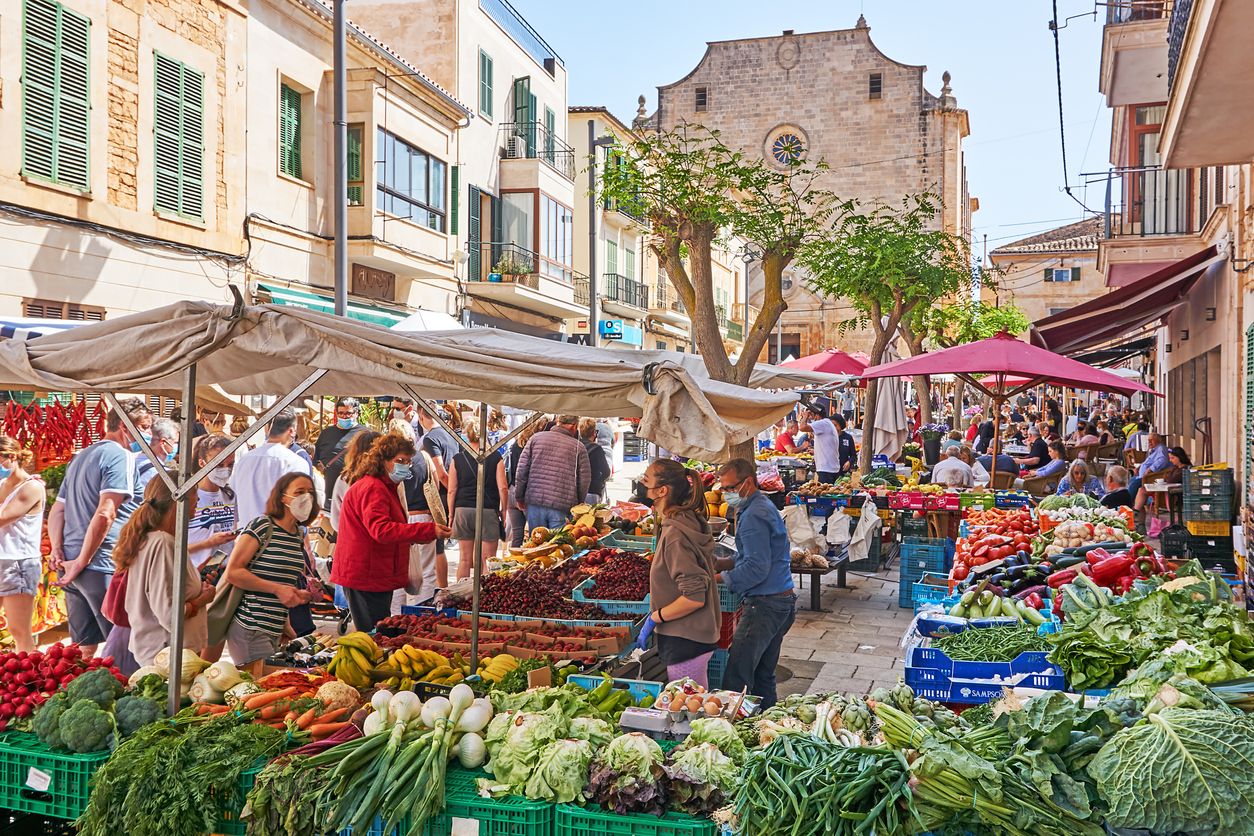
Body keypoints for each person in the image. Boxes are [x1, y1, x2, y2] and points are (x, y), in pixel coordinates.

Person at [48, 397, 149, 656]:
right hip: (100, 563)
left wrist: (57, 551)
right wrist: (82, 561)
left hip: (70, 563)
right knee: (124, 648)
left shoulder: (81, 456)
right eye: (145, 427)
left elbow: (58, 510)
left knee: (83, 648)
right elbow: (106, 513)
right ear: (126, 427)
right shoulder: (122, 457)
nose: (148, 434)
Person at [332, 435, 447, 632]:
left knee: (378, 630)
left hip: (374, 572)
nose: (405, 466)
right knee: (372, 634)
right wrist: (428, 529)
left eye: (408, 462)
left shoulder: (384, 486)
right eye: (399, 461)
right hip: (365, 574)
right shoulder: (373, 488)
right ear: (383, 460)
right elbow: (382, 530)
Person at [713, 458, 795, 709]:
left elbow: (756, 568)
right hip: (781, 601)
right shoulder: (761, 505)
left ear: (747, 482)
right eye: (723, 489)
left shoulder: (753, 516)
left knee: (737, 674)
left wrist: (718, 578)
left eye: (729, 488)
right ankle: (766, 724)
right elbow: (754, 554)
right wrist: (724, 563)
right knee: (763, 675)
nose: (726, 494)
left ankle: (731, 729)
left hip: (765, 605)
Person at [114, 473, 215, 667]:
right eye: (195, 493)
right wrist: (203, 599)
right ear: (179, 501)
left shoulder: (154, 538)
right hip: (165, 655)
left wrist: (194, 577)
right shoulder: (163, 543)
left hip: (160, 652)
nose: (199, 499)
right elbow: (170, 615)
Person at [223, 472, 319, 673]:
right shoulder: (263, 526)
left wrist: (286, 622)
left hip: (274, 629)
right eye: (299, 492)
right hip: (251, 626)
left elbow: (283, 580)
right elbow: (234, 571)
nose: (306, 497)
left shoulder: (297, 535)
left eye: (310, 492)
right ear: (283, 497)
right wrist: (277, 589)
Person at [634, 460, 720, 687]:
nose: (642, 483)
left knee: (688, 708)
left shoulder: (675, 535)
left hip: (685, 639)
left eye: (647, 479)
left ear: (662, 491)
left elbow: (694, 597)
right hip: (695, 634)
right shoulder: (687, 518)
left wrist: (655, 617)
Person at [0, 436, 46, 652]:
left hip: (17, 563)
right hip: (3, 560)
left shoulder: (32, 488)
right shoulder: (2, 483)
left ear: (10, 457)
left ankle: (30, 679)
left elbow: (2, 518)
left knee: (18, 630)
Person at [447, 419, 508, 582]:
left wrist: (451, 514)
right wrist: (504, 510)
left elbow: (452, 490)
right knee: (488, 560)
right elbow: (503, 487)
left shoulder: (457, 459)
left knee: (465, 559)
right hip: (488, 511)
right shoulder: (496, 458)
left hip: (462, 511)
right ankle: (486, 598)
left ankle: (460, 595)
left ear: (468, 436)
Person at [229, 409, 310, 529]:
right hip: (279, 539)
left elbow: (234, 499)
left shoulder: (244, 460)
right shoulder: (296, 463)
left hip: (246, 535)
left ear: (267, 429)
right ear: (292, 431)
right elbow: (300, 507)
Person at [514, 415, 590, 532]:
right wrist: (579, 504)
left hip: (535, 501)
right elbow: (584, 480)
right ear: (574, 426)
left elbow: (522, 470)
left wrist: (519, 496)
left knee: (536, 545)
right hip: (562, 505)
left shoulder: (535, 439)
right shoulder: (578, 447)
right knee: (557, 545)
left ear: (557, 422)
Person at [416, 408, 457, 588]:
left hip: (439, 498)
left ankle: (440, 588)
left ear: (421, 416)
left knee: (437, 548)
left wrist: (450, 493)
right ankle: (443, 586)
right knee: (439, 548)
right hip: (450, 495)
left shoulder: (430, 438)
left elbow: (440, 473)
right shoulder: (450, 434)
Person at [186, 434, 239, 568]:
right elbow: (173, 548)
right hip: (194, 571)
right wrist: (209, 543)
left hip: (223, 570)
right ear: (202, 462)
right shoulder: (189, 497)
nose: (225, 470)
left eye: (230, 464)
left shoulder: (230, 495)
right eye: (219, 464)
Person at [314, 397, 366, 500]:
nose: (344, 416)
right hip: (329, 494)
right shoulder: (326, 433)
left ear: (356, 413)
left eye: (348, 413)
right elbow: (316, 458)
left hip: (355, 494)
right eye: (340, 413)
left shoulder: (365, 434)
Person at [505, 419, 544, 549]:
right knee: (535, 535)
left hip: (511, 490)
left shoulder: (517, 444)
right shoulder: (534, 446)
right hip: (525, 492)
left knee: (517, 535)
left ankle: (514, 564)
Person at [1133, 445, 1191, 514]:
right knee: (1141, 491)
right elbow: (1168, 478)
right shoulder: (1176, 468)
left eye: (1172, 458)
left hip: (1174, 495)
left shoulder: (1184, 469)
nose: (1170, 460)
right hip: (1167, 491)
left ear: (1180, 457)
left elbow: (1170, 479)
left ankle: (1135, 511)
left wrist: (1167, 476)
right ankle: (1136, 512)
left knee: (1142, 491)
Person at [802, 406, 841, 483]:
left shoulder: (823, 423)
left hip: (826, 469)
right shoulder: (827, 423)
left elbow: (802, 427)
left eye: (811, 416)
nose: (812, 419)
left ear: (817, 415)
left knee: (825, 493)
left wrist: (805, 417)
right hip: (829, 468)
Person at [579, 419, 611, 504]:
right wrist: (598, 481)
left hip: (576, 490)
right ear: (594, 432)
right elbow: (606, 472)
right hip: (592, 489)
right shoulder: (597, 449)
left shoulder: (575, 446)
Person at [1127, 432, 1168, 498]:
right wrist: (1139, 467)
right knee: (1131, 481)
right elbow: (1147, 462)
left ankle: (1128, 503)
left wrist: (1150, 469)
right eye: (1148, 440)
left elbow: (1163, 460)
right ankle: (1130, 503)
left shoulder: (1161, 448)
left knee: (1133, 485)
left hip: (1149, 478)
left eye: (1151, 440)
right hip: (1142, 476)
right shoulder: (1153, 450)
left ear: (1158, 440)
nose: (1149, 442)